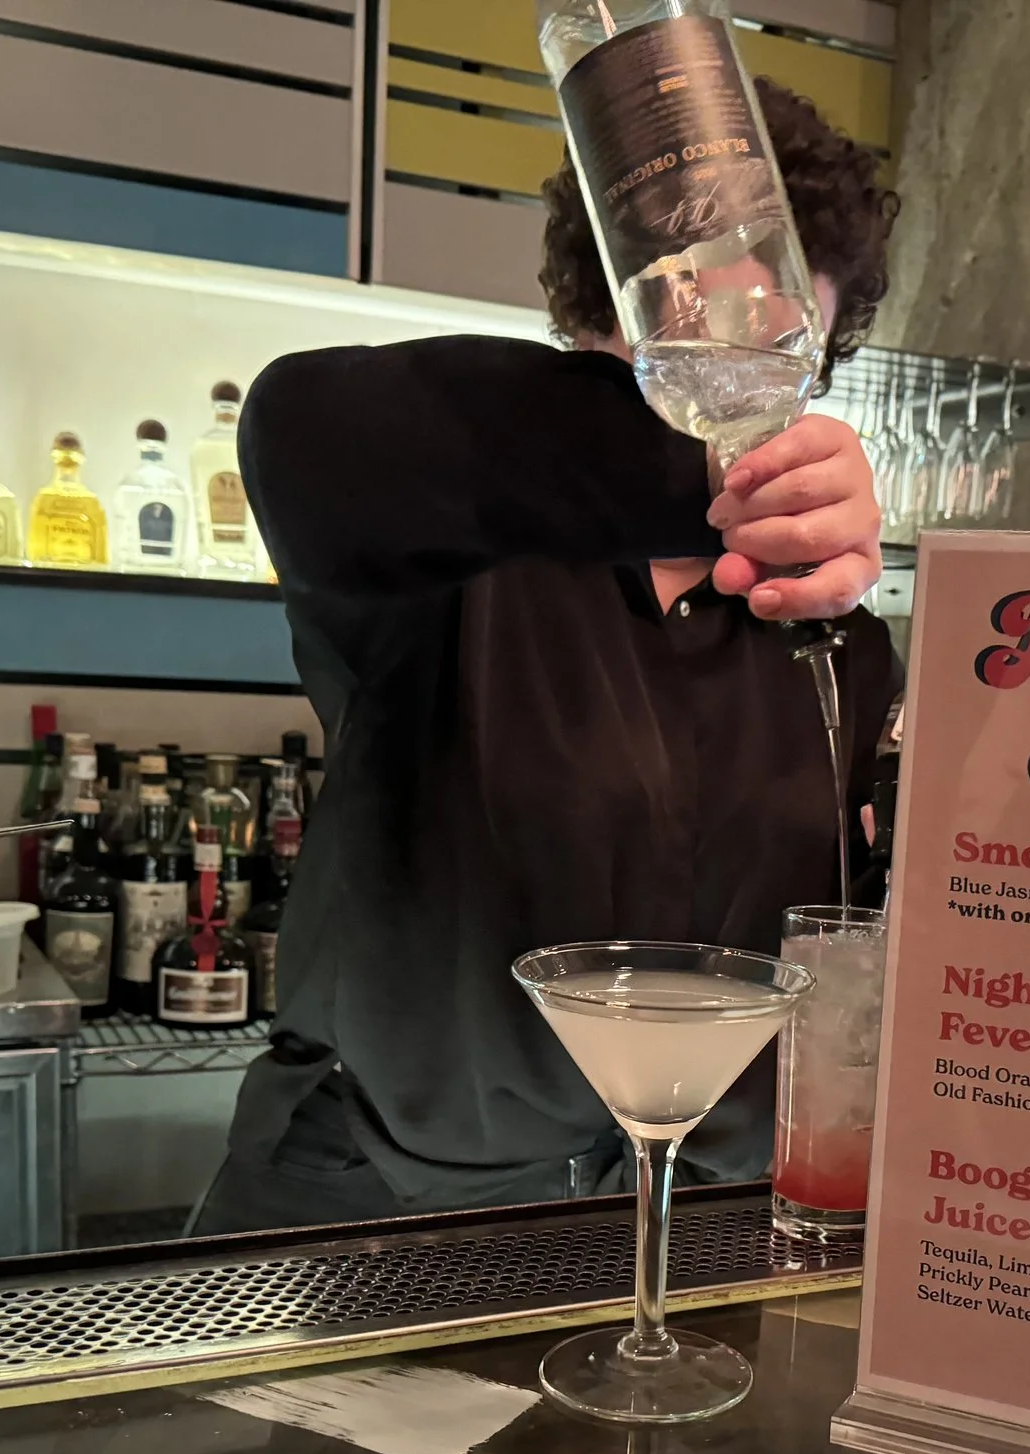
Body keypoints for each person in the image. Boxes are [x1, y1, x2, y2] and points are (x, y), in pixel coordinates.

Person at [195, 82, 901, 1230]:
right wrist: (699, 465)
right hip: (385, 1215)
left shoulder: (836, 640)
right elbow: (298, 424)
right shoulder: (433, 553)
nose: (736, 398)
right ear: (597, 325)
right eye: (691, 347)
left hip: (693, 1230)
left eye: (780, 360)